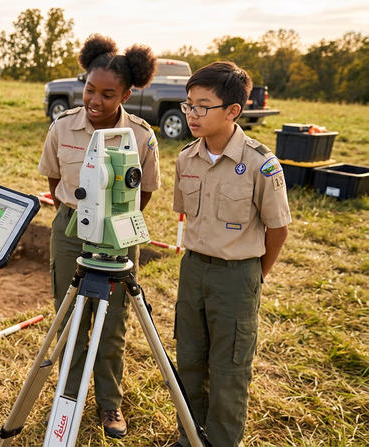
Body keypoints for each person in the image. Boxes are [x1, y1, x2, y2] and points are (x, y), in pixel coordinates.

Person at [37, 34, 160, 439]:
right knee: (70, 317)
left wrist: (111, 224)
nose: (96, 100)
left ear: (127, 93)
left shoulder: (141, 136)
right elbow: (57, 180)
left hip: (118, 235)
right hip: (70, 230)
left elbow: (143, 192)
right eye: (90, 89)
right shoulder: (62, 126)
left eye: (108, 94)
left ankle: (110, 403)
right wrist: (80, 216)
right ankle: (67, 398)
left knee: (112, 323)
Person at [171, 61, 291, 447]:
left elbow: (278, 228)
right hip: (192, 271)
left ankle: (221, 441)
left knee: (229, 367)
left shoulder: (260, 163)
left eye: (202, 106)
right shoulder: (186, 158)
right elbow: (185, 214)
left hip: (237, 275)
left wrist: (254, 274)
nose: (191, 114)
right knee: (189, 359)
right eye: (188, 104)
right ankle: (191, 436)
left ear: (233, 110)